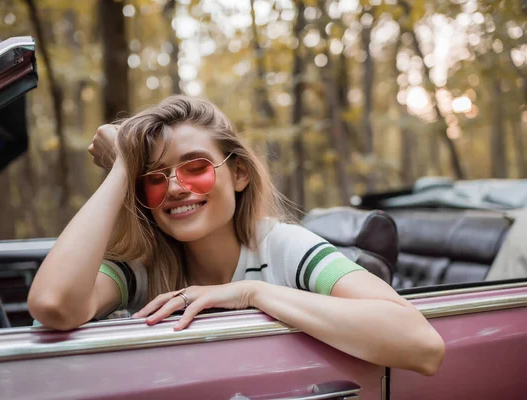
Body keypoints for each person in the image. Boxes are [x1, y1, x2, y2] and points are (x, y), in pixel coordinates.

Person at [27, 95, 444, 376]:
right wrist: (123, 167)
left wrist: (251, 293)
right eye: (153, 178)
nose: (174, 188)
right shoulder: (142, 268)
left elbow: (422, 344)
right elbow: (53, 305)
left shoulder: (281, 247)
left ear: (239, 173)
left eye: (196, 168)